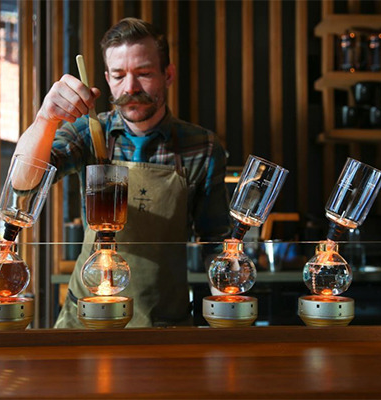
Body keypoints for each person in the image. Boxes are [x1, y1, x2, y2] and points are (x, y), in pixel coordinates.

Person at [14, 17, 231, 328]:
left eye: (143, 74)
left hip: (163, 324)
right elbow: (23, 184)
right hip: (85, 318)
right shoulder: (88, 133)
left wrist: (226, 319)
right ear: (106, 77)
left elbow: (215, 244)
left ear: (167, 74)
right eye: (118, 76)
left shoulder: (202, 146)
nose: (130, 88)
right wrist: (46, 118)